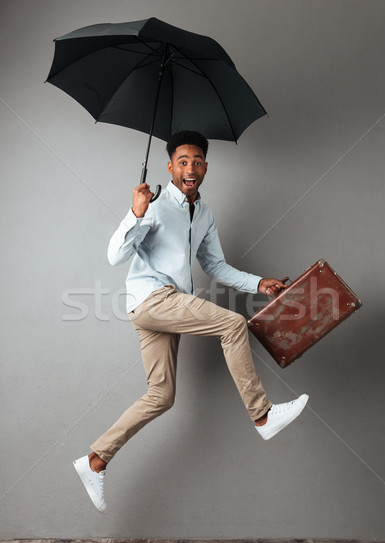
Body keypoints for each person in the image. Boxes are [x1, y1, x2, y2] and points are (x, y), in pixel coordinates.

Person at [73, 131, 308, 512]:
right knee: (233, 325)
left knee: (161, 397)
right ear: (170, 166)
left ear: (206, 168)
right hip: (152, 298)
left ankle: (95, 461)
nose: (190, 168)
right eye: (183, 161)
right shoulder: (154, 204)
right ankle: (263, 416)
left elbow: (214, 265)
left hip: (164, 306)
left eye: (197, 161)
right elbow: (115, 256)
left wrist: (259, 283)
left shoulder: (204, 213)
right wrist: (136, 212)